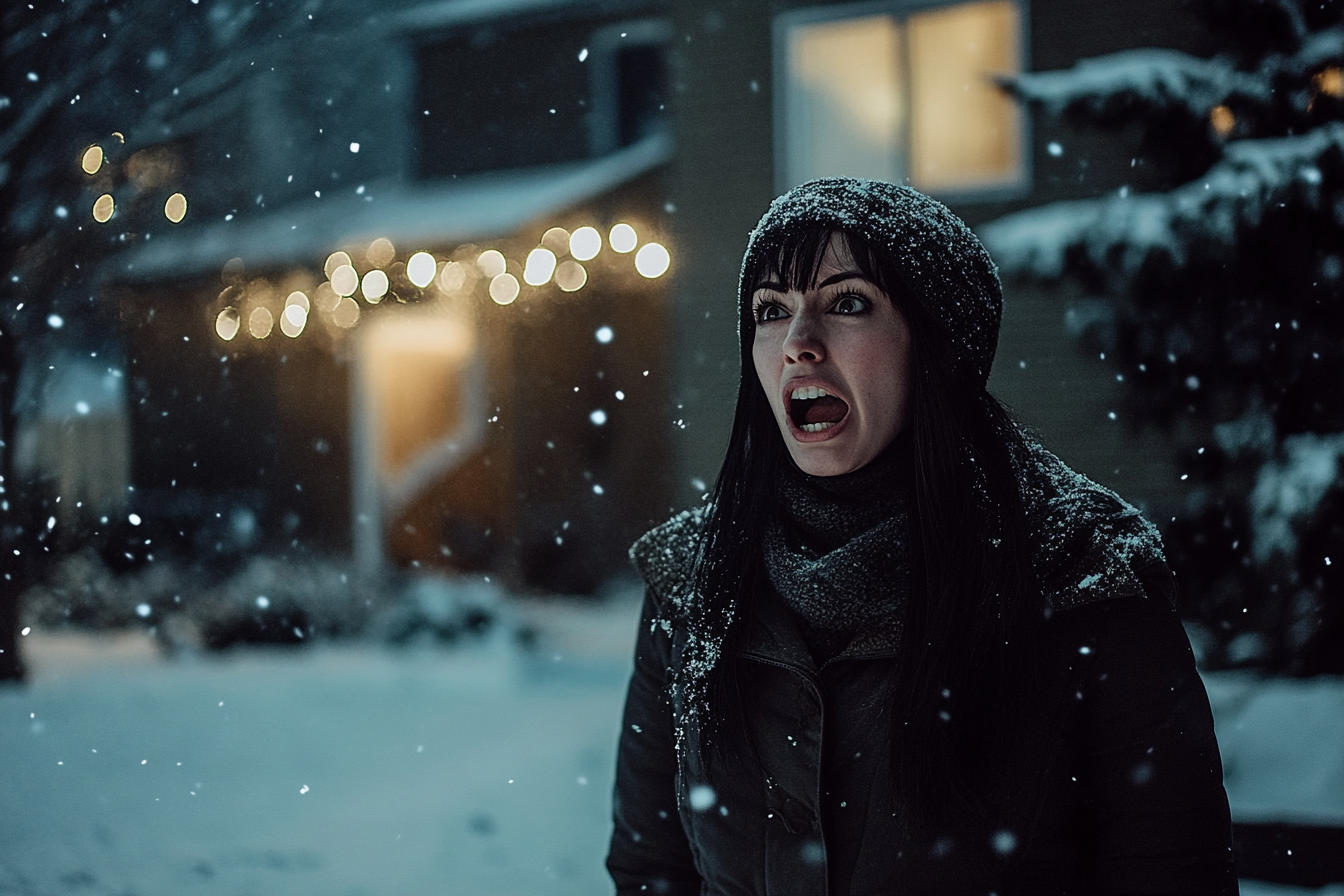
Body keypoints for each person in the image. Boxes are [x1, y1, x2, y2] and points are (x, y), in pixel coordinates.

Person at [606, 178, 1237, 895]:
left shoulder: (1084, 582)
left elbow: (1172, 876)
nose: (798, 345)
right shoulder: (695, 586)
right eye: (771, 311)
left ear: (938, 345)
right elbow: (652, 870)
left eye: (848, 303)